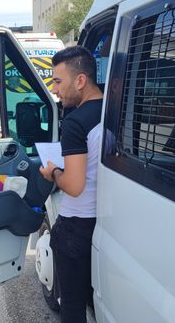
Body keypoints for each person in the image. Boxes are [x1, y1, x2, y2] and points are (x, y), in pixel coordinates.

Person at [39, 45, 104, 322]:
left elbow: (74, 186)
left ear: (80, 80)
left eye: (57, 81)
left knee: (73, 306)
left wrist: (53, 172)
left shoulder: (76, 122)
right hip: (103, 222)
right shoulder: (113, 110)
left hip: (76, 226)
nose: (54, 90)